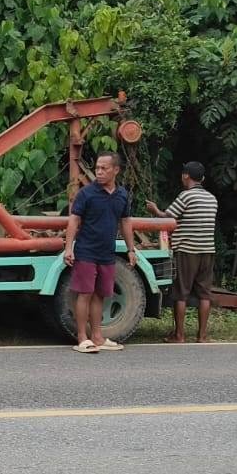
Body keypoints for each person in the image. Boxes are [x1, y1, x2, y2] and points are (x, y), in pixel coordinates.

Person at [63, 152, 139, 354]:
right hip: (86, 251)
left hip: (107, 253)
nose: (99, 171)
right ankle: (82, 337)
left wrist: (131, 249)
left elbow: (125, 222)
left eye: (104, 168)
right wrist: (68, 248)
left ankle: (97, 336)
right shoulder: (86, 193)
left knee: (100, 295)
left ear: (116, 170)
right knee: (84, 293)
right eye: (97, 168)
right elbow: (74, 220)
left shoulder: (122, 195)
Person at [145, 161, 218, 343]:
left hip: (187, 250)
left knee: (181, 293)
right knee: (204, 294)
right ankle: (202, 336)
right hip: (208, 250)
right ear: (202, 178)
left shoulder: (186, 196)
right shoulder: (212, 198)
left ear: (186, 176)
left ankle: (179, 335)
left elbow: (167, 218)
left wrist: (155, 210)